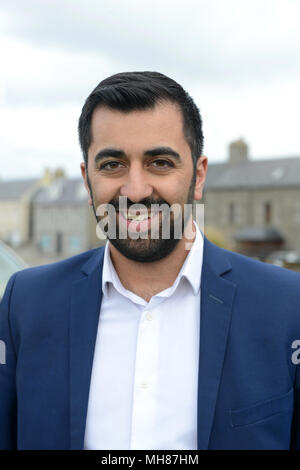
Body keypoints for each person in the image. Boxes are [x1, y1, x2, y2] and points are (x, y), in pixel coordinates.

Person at [0, 71, 300, 450]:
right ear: (87, 180)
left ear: (199, 175)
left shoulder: (287, 306)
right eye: (112, 165)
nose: (136, 191)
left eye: (160, 162)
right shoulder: (25, 303)